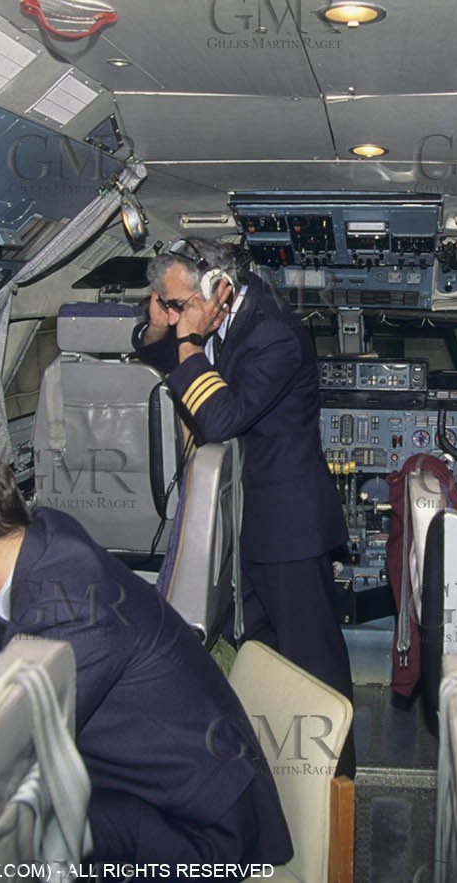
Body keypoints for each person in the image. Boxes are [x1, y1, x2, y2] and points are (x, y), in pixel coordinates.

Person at [0, 435, 291, 867]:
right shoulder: (40, 542)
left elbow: (2, 757)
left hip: (199, 828)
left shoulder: (75, 610)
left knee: (0, 845)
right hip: (146, 785)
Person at [135, 237, 354, 710]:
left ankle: (333, 774)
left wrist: (191, 339)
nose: (174, 318)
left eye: (179, 306)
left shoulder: (273, 331)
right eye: (165, 305)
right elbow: (166, 360)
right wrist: (160, 328)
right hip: (243, 520)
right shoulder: (213, 313)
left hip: (288, 525)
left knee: (312, 661)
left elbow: (219, 418)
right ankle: (273, 764)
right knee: (259, 650)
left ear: (220, 288)